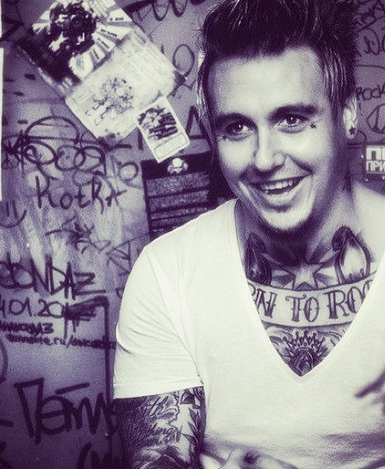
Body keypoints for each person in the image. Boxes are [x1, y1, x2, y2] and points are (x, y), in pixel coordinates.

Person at [112, 0, 385, 468]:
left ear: (347, 114)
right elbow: (157, 457)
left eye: (291, 119)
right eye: (237, 127)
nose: (263, 159)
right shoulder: (167, 273)